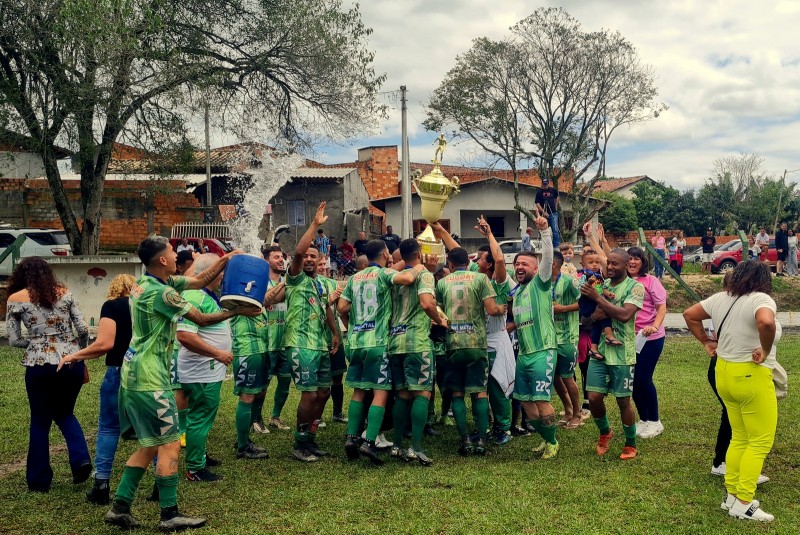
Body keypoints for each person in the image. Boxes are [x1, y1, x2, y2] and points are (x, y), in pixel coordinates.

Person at [103, 237, 255, 531]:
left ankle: (120, 507)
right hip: (151, 379)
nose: (177, 256)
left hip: (133, 373)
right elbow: (200, 318)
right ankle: (169, 513)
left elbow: (198, 280)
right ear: (162, 260)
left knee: (150, 444)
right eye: (172, 253)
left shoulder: (143, 283)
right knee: (170, 443)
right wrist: (238, 310)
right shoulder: (163, 294)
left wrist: (226, 258)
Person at [683, 261, 781, 522]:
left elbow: (689, 314)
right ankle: (744, 501)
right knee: (759, 441)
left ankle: (732, 496)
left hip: (724, 372)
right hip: (751, 374)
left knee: (739, 436)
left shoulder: (721, 298)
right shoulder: (761, 299)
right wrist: (766, 349)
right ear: (764, 279)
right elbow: (766, 322)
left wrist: (706, 340)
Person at [6, 258, 91, 493]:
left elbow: (13, 339)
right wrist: (78, 352)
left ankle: (39, 480)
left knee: (40, 421)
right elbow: (83, 329)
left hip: (39, 364)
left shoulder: (16, 299)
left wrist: (36, 343)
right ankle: (81, 460)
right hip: (71, 361)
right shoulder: (66, 293)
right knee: (65, 413)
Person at [265, 202, 340, 463]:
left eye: (313, 257)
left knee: (324, 393)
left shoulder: (320, 283)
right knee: (309, 394)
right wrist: (314, 225)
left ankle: (310, 438)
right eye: (306, 256)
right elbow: (297, 252)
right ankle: (299, 444)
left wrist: (333, 333)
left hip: (319, 345)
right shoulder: (294, 277)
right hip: (300, 344)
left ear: (320, 260)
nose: (308, 259)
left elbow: (326, 308)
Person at [339, 240, 424, 465]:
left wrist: (354, 323)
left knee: (359, 391)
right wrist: (418, 267)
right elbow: (407, 278)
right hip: (377, 341)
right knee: (380, 392)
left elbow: (341, 308)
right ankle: (369, 442)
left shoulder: (354, 278)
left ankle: (351, 437)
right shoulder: (384, 274)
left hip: (355, 342)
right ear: (386, 253)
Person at [58, 274, 136, 504]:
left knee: (109, 428)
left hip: (118, 372)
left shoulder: (112, 306)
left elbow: (105, 343)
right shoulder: (145, 307)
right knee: (149, 431)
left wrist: (76, 355)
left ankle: (101, 484)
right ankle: (160, 486)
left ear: (114, 288)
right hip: (147, 374)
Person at [579, 242, 644, 460]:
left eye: (616, 264)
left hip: (622, 353)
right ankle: (605, 432)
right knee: (594, 397)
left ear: (627, 265)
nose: (611, 267)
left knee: (623, 400)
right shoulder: (601, 283)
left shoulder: (635, 287)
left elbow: (625, 315)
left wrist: (598, 300)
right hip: (599, 351)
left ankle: (630, 442)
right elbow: (588, 317)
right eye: (610, 264)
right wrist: (592, 315)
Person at [437, 247, 505, 455]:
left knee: (457, 393)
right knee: (479, 393)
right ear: (468, 261)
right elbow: (492, 310)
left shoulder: (442, 283)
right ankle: (482, 441)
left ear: (449, 263)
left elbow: (437, 313)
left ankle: (465, 439)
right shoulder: (480, 279)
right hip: (476, 344)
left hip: (453, 344)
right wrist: (502, 309)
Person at [387, 239, 446, 464]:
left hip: (395, 343)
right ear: (420, 253)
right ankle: (416, 447)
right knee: (422, 393)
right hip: (417, 343)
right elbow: (426, 304)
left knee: (402, 395)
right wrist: (439, 319)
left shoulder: (394, 278)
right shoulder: (424, 275)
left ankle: (397, 445)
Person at [176, 254, 234, 482]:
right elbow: (184, 336)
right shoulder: (194, 296)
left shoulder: (207, 295)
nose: (223, 276)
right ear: (211, 272)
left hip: (207, 369)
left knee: (201, 416)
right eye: (221, 271)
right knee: (200, 416)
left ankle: (198, 454)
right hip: (202, 370)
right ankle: (195, 468)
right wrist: (218, 353)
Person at [509, 213, 561, 458]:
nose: (520, 267)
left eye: (525, 264)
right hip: (524, 354)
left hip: (543, 351)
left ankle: (552, 442)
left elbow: (548, 257)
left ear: (535, 269)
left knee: (540, 401)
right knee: (526, 401)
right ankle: (544, 437)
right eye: (517, 264)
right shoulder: (517, 293)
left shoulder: (540, 283)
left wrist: (546, 232)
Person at [625, 248, 668, 439]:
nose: (632, 262)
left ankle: (655, 421)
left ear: (643, 262)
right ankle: (643, 420)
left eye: (636, 259)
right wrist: (596, 239)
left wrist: (655, 326)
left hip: (650, 338)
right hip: (629, 338)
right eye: (629, 259)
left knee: (644, 378)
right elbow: (607, 257)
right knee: (632, 381)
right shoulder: (624, 281)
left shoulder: (651, 281)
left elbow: (661, 307)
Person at [550, 251, 583, 430]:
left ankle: (578, 413)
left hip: (567, 337)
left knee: (568, 377)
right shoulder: (543, 283)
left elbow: (584, 302)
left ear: (553, 264)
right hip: (549, 338)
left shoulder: (570, 281)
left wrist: (563, 308)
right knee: (555, 377)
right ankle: (568, 409)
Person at [263, 246, 292, 431]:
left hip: (285, 341)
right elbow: (265, 301)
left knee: (285, 382)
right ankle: (256, 419)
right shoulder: (261, 282)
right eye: (276, 257)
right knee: (262, 386)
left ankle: (275, 416)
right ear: (266, 260)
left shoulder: (288, 282)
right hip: (266, 340)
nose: (281, 260)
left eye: (282, 257)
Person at [535, 178, 560, 247]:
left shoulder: (553, 190)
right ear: (542, 184)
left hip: (553, 213)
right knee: (544, 229)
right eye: (544, 184)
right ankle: (545, 245)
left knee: (555, 229)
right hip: (544, 213)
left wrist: (555, 206)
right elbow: (537, 203)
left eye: (546, 184)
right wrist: (543, 212)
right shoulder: (539, 192)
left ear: (548, 183)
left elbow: (557, 198)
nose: (545, 185)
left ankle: (556, 246)